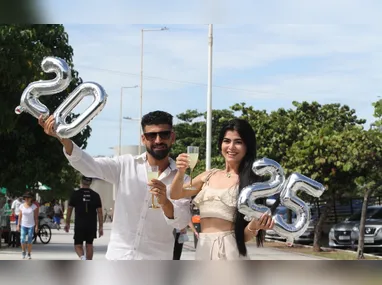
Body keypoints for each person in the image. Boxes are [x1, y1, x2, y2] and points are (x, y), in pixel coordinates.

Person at [38, 110, 191, 260]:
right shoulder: (125, 165)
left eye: (163, 134)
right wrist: (62, 138)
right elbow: (88, 165)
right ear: (143, 139)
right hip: (119, 258)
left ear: (172, 137)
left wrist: (165, 202)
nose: (158, 140)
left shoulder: (182, 178)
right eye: (151, 135)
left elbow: (182, 221)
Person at [170, 118, 275, 260]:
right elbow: (176, 194)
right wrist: (181, 172)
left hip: (230, 251)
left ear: (247, 146)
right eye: (227, 141)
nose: (231, 147)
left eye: (238, 142)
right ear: (220, 144)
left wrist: (255, 225)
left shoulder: (251, 184)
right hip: (203, 248)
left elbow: (242, 237)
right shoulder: (208, 175)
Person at [65, 176, 103, 260]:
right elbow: (100, 212)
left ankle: (83, 258)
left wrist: (67, 222)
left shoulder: (75, 194)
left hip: (79, 224)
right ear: (91, 182)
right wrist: (101, 227)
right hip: (91, 224)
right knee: (89, 244)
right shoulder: (96, 195)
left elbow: (69, 209)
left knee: (78, 245)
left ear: (81, 181)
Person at [17, 192, 38, 259]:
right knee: (22, 239)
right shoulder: (21, 206)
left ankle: (29, 253)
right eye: (25, 198)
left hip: (31, 225)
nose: (26, 199)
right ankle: (23, 252)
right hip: (23, 225)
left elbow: (36, 217)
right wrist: (18, 225)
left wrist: (36, 226)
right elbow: (20, 216)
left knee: (29, 239)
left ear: (31, 198)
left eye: (28, 198)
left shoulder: (34, 207)